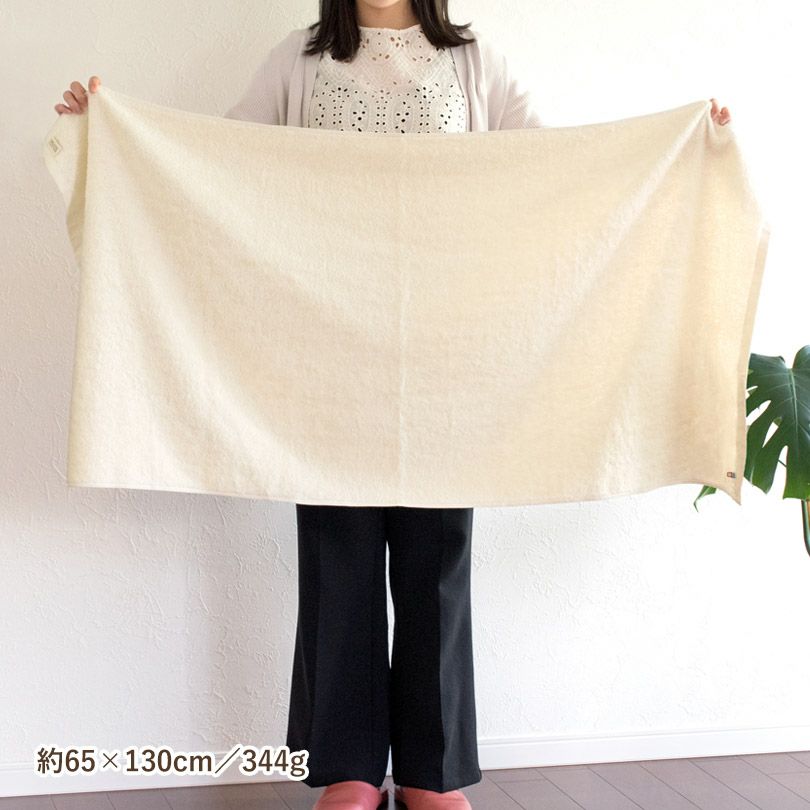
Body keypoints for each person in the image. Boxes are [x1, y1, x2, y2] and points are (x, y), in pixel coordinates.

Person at [54, 2, 732, 808]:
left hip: (449, 359)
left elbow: (555, 173)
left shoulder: (474, 62)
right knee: (336, 560)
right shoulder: (300, 59)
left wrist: (685, 149)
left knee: (435, 565)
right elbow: (216, 169)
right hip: (327, 353)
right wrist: (113, 136)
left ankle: (429, 773)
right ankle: (347, 769)